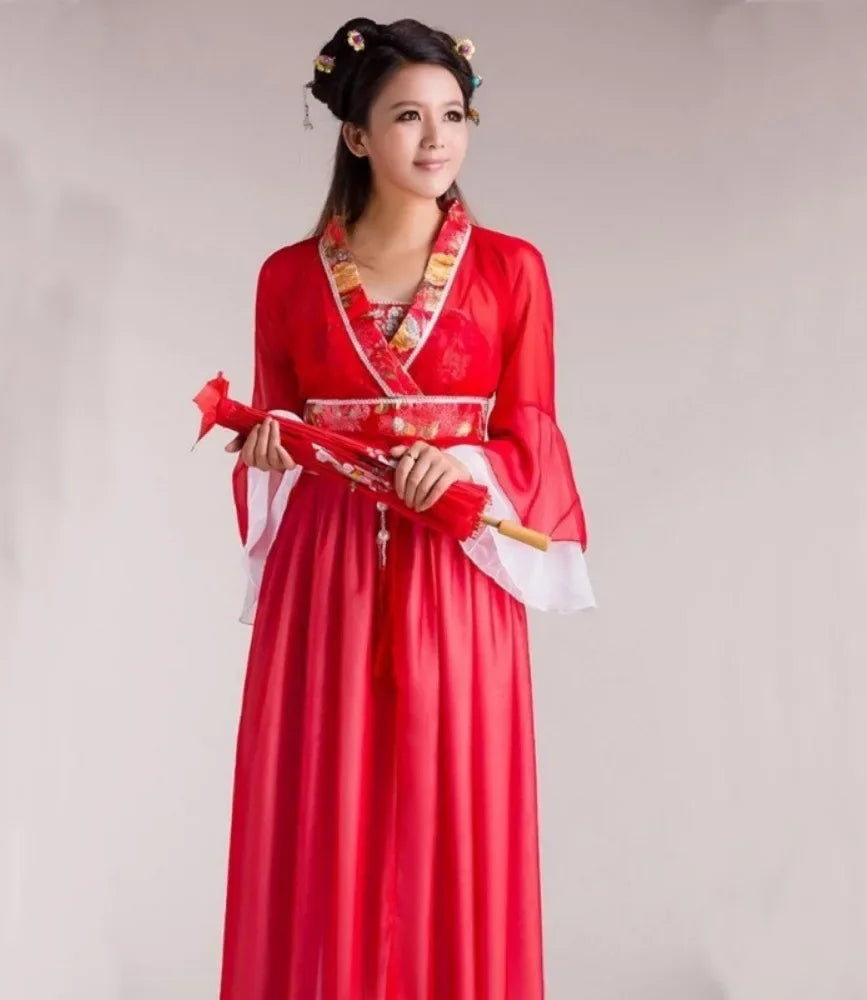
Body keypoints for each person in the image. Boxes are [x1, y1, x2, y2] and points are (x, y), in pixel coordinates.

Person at [218, 16, 595, 999]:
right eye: (407, 116)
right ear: (355, 134)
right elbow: (278, 425)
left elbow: (533, 435)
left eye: (453, 116)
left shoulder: (512, 269)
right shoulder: (288, 277)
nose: (436, 138)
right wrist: (271, 448)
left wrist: (462, 467)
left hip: (456, 565)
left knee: (452, 796)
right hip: (327, 570)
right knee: (327, 798)